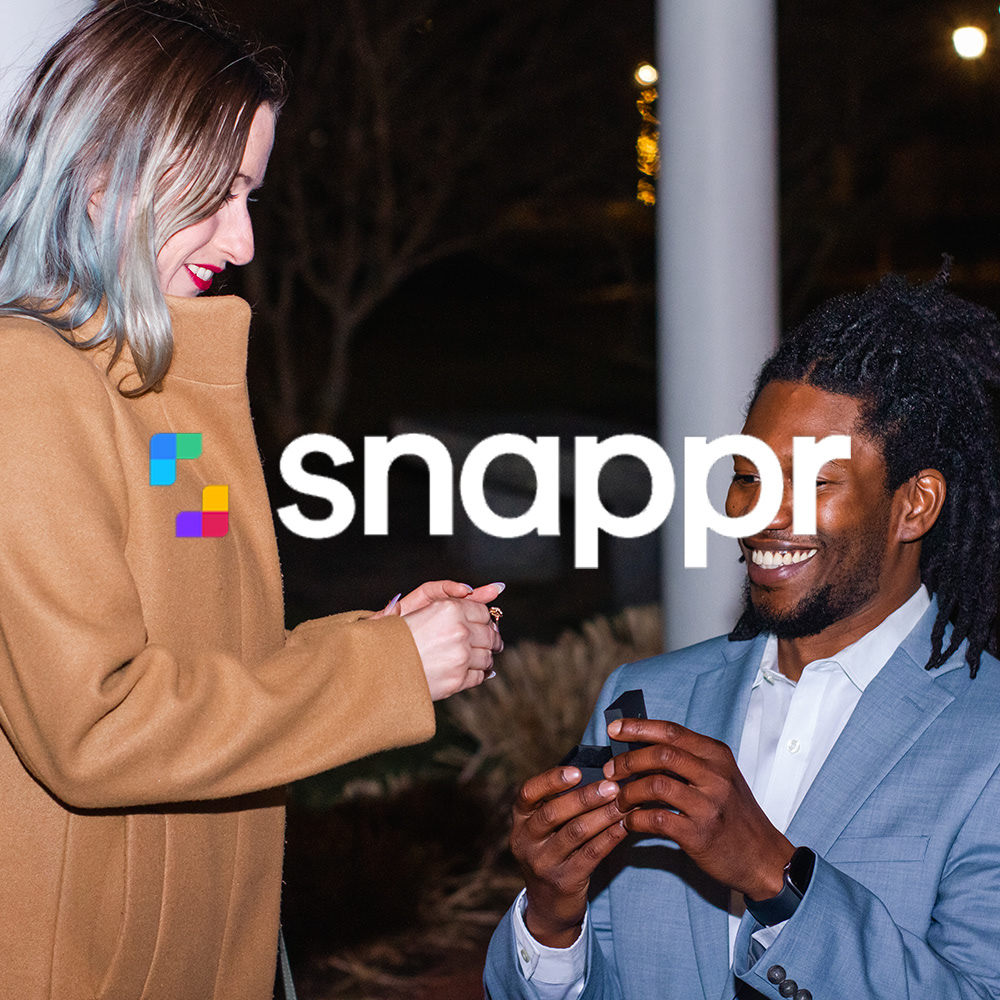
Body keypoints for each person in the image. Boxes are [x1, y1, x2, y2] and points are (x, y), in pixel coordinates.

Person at [0, 3, 503, 998]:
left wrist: (376, 638)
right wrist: (384, 669)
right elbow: (96, 727)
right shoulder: (29, 383)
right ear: (100, 173)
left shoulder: (159, 402)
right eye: (216, 193)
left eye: (251, 196)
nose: (240, 240)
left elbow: (207, 637)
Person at [485, 271, 1000, 1000]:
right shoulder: (645, 700)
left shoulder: (988, 736)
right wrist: (551, 918)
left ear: (914, 505)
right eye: (748, 476)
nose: (760, 513)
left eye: (813, 481)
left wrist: (774, 875)